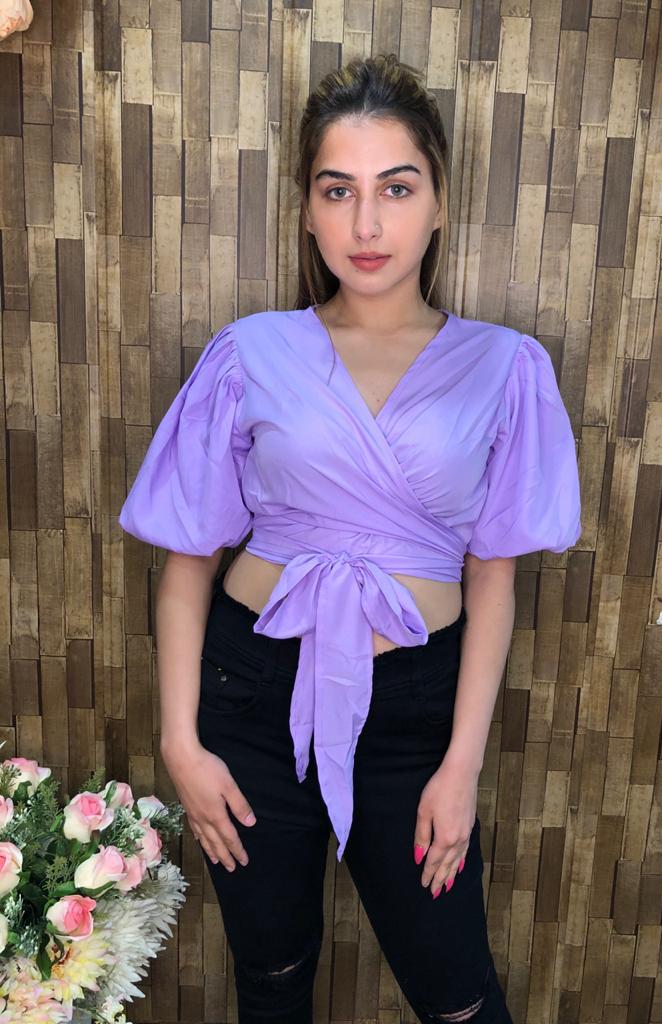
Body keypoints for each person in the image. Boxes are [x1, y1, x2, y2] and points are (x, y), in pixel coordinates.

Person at [118, 53, 581, 1024]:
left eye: (396, 189)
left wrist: (461, 765)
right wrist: (180, 742)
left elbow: (493, 579)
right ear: (307, 209)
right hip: (251, 700)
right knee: (272, 980)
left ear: (439, 202)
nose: (367, 225)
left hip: (414, 715)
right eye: (339, 191)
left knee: (459, 998)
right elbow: (187, 564)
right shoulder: (248, 354)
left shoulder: (505, 367)